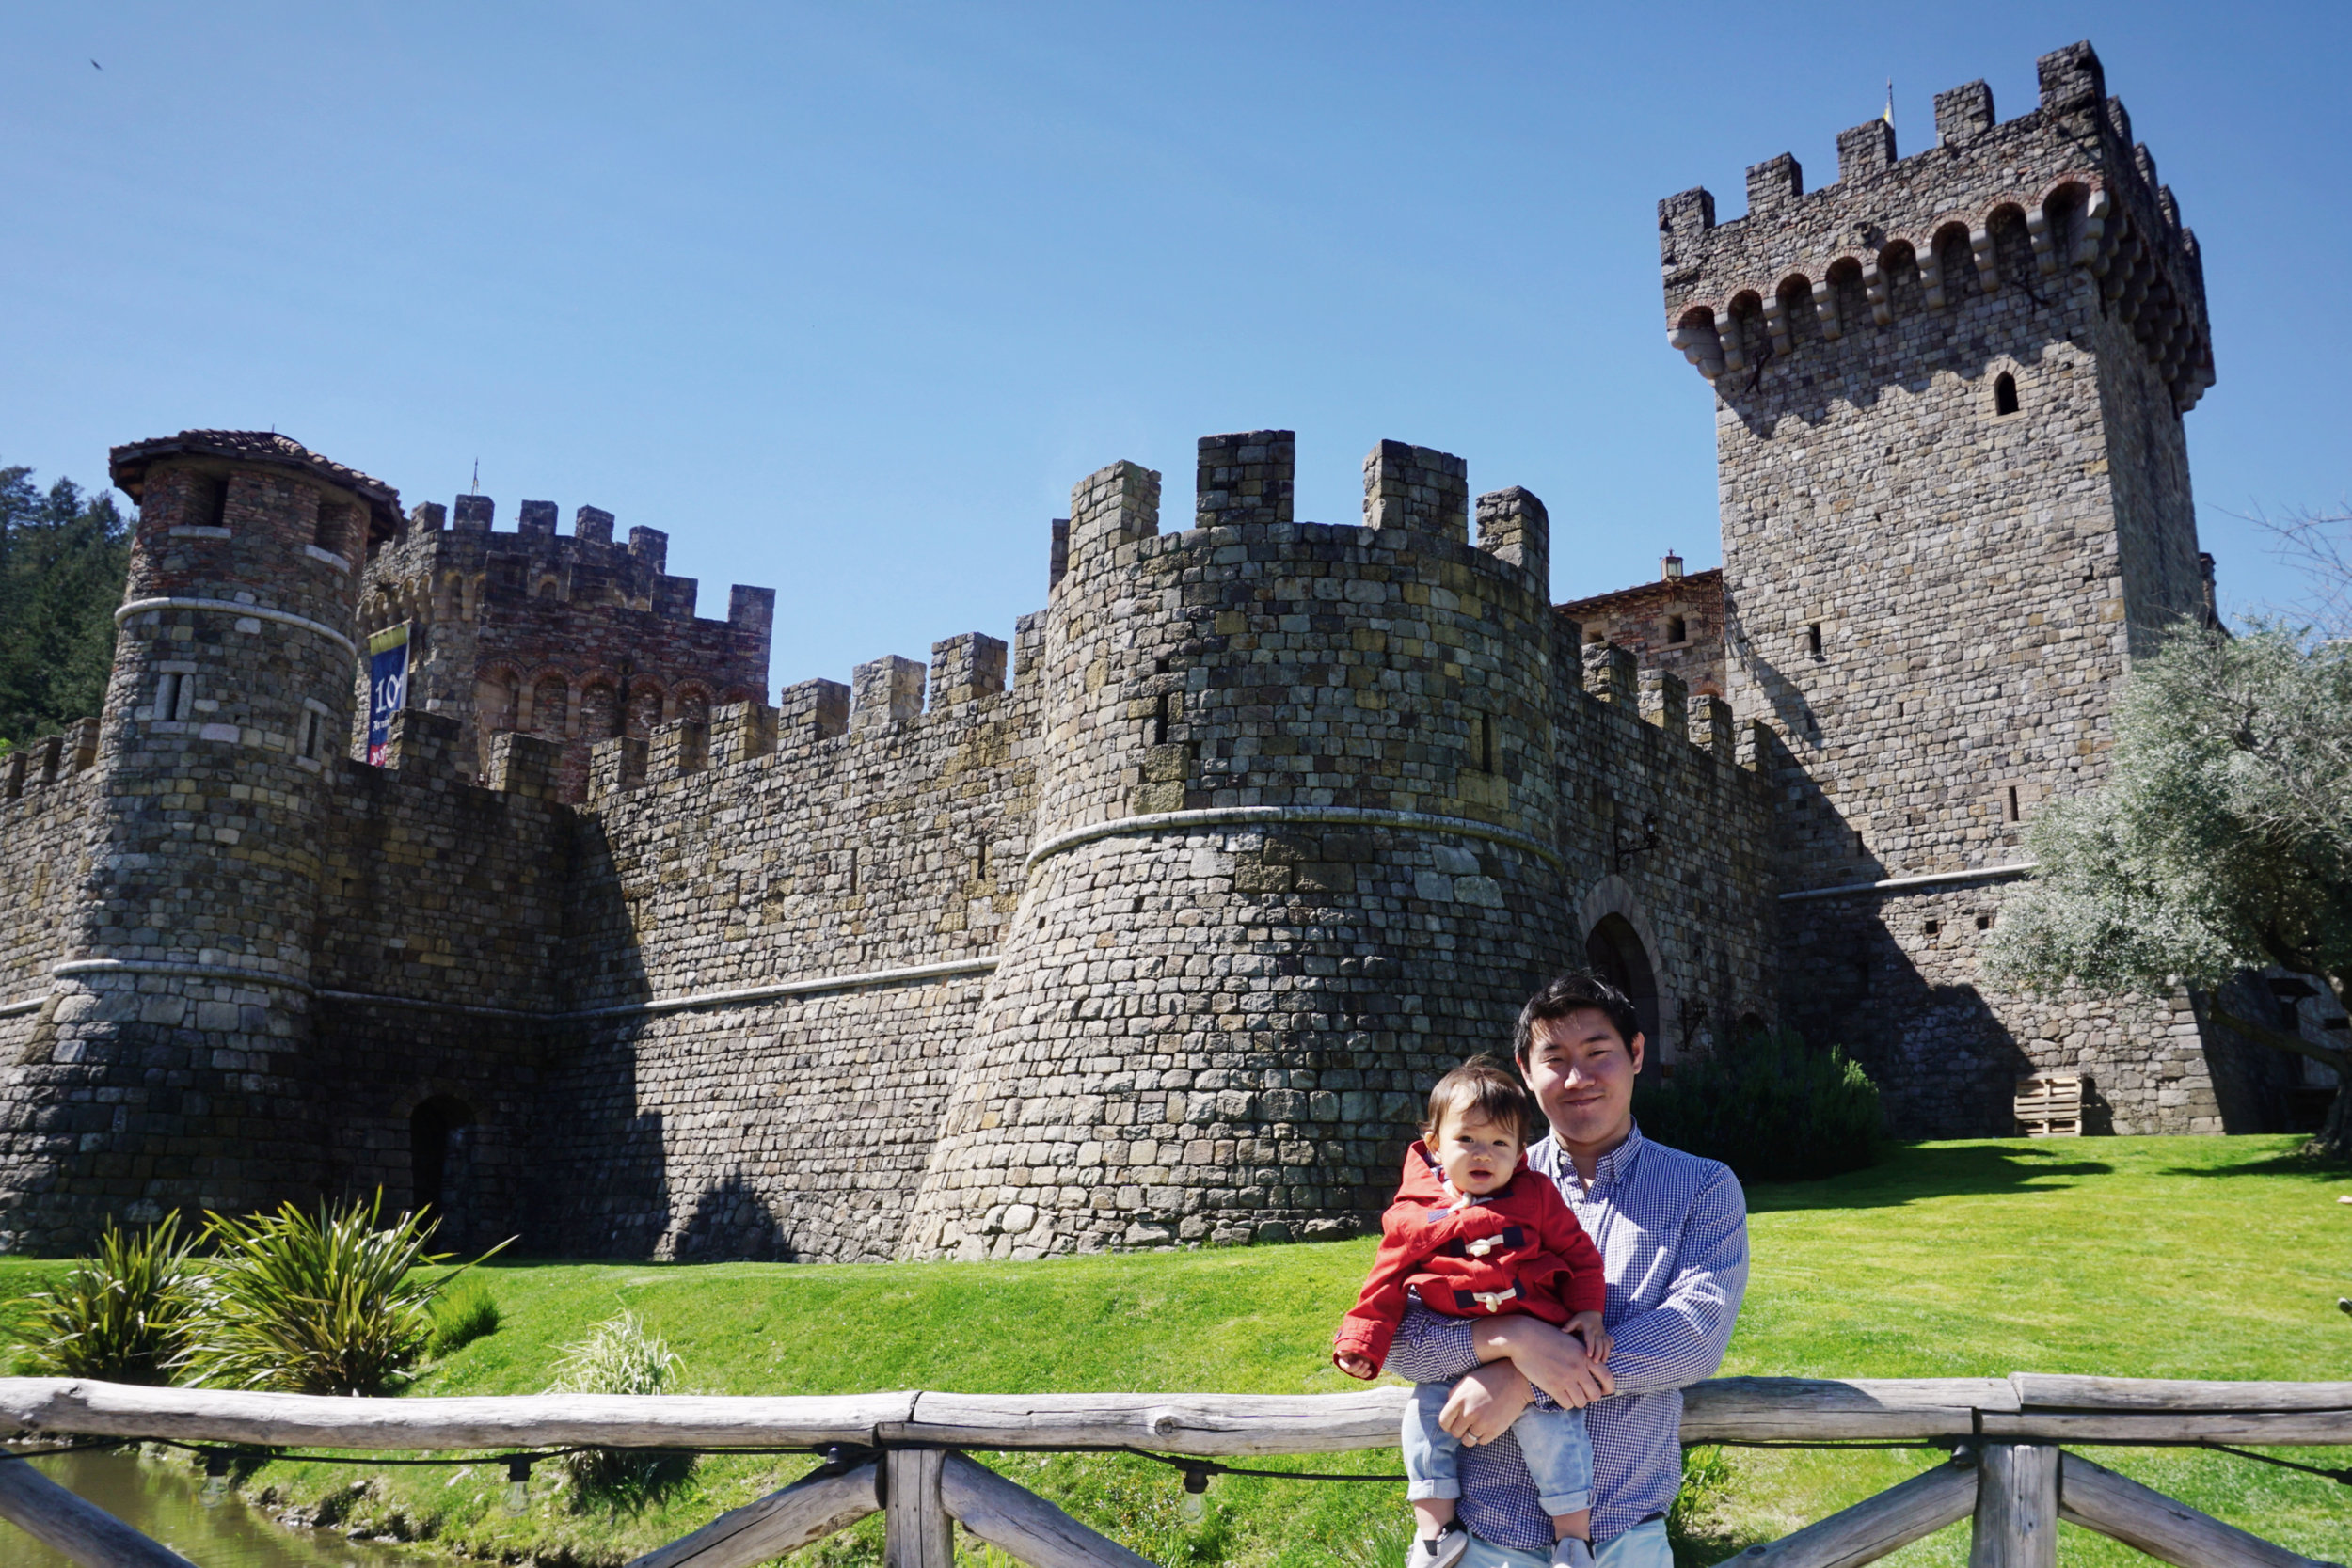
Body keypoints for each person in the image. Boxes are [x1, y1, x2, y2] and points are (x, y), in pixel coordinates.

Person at [1383, 973, 1749, 1568]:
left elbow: (1691, 1339)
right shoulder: (1463, 1188)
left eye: (1598, 1053)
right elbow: (1399, 1340)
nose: (1577, 1079)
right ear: (1526, 1072)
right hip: (1481, 1538)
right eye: (1555, 1059)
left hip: (1625, 1536)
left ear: (1635, 1054)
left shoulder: (1702, 1187)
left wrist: (1526, 1379)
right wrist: (1509, 1337)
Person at [1333, 1058, 1613, 1568]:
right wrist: (1361, 1340)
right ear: (1435, 1143)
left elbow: (1581, 1257)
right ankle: (1436, 1532)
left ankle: (1574, 1538)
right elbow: (1385, 1281)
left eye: (1500, 1144)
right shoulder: (1414, 1213)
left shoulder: (1538, 1197)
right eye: (1468, 1140)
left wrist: (1590, 1312)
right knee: (1423, 1424)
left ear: (1520, 1153)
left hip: (1539, 1350)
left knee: (1555, 1432)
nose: (1484, 1153)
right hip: (1451, 1345)